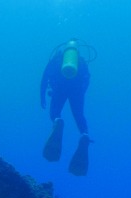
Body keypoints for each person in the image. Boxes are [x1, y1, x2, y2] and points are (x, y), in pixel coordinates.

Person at [41, 38, 96, 176]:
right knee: (79, 115)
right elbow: (87, 78)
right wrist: (81, 94)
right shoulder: (80, 61)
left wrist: (42, 96)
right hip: (77, 91)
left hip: (59, 88)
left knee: (54, 113)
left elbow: (44, 77)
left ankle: (58, 121)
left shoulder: (56, 59)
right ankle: (84, 135)